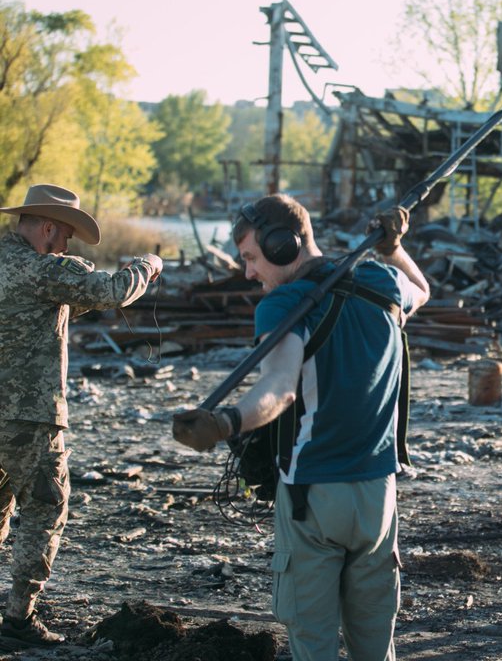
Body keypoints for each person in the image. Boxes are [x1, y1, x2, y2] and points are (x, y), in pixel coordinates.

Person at [172, 193, 429, 661]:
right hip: (379, 496)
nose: (248, 273)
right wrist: (393, 248)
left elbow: (279, 388)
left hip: (313, 497)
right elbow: (421, 289)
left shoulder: (287, 305)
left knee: (313, 645)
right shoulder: (383, 283)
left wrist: (225, 423)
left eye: (251, 257)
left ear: (283, 245)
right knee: (375, 646)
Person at [0, 184, 163, 646]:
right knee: (44, 509)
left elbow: (70, 296)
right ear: (48, 227)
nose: (68, 246)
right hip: (28, 417)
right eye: (66, 235)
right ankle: (17, 622)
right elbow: (111, 290)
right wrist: (147, 266)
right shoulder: (41, 269)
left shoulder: (14, 267)